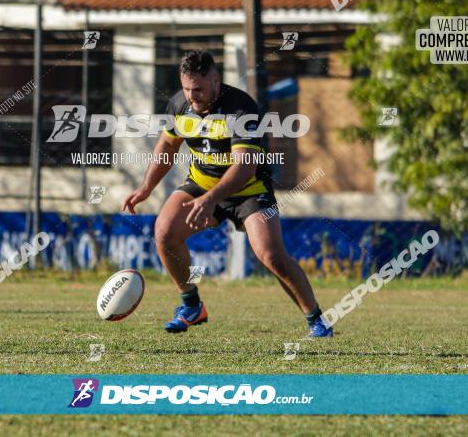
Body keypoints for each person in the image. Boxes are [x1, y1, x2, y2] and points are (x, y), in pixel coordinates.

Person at [122, 50, 332, 337]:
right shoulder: (179, 105)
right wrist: (146, 188)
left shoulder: (241, 108)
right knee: (164, 232)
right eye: (186, 89)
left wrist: (210, 201)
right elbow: (168, 147)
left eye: (198, 89)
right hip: (201, 184)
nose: (192, 97)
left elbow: (245, 167)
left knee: (271, 256)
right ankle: (191, 306)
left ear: (216, 81)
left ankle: (317, 320)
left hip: (248, 191)